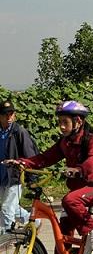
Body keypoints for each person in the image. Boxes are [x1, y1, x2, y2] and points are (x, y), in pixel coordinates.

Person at [4, 101, 93, 254]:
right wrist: (23, 162)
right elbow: (45, 158)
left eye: (65, 122)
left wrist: (79, 170)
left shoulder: (91, 140)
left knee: (69, 200)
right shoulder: (65, 143)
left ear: (78, 122)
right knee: (63, 228)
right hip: (78, 189)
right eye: (59, 122)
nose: (61, 126)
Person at [0, 100, 39, 234]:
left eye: (11, 114)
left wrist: (32, 180)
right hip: (2, 177)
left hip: (15, 177)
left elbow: (31, 156)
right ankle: (34, 221)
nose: (9, 117)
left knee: (6, 209)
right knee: (13, 208)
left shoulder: (20, 132)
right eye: (5, 114)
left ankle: (6, 239)